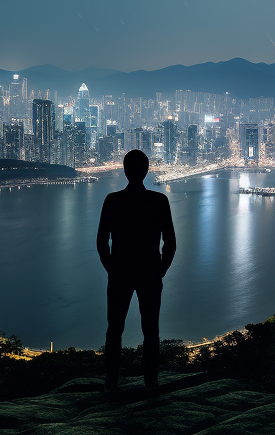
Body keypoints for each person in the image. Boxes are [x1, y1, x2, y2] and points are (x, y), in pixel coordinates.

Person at [96, 149, 176, 390]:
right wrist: (160, 270)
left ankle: (111, 382)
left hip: (120, 272)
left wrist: (112, 268)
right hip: (150, 272)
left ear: (124, 170)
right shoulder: (159, 201)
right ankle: (151, 381)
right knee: (151, 329)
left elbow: (101, 243)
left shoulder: (113, 200)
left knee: (114, 329)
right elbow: (170, 243)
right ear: (147, 171)